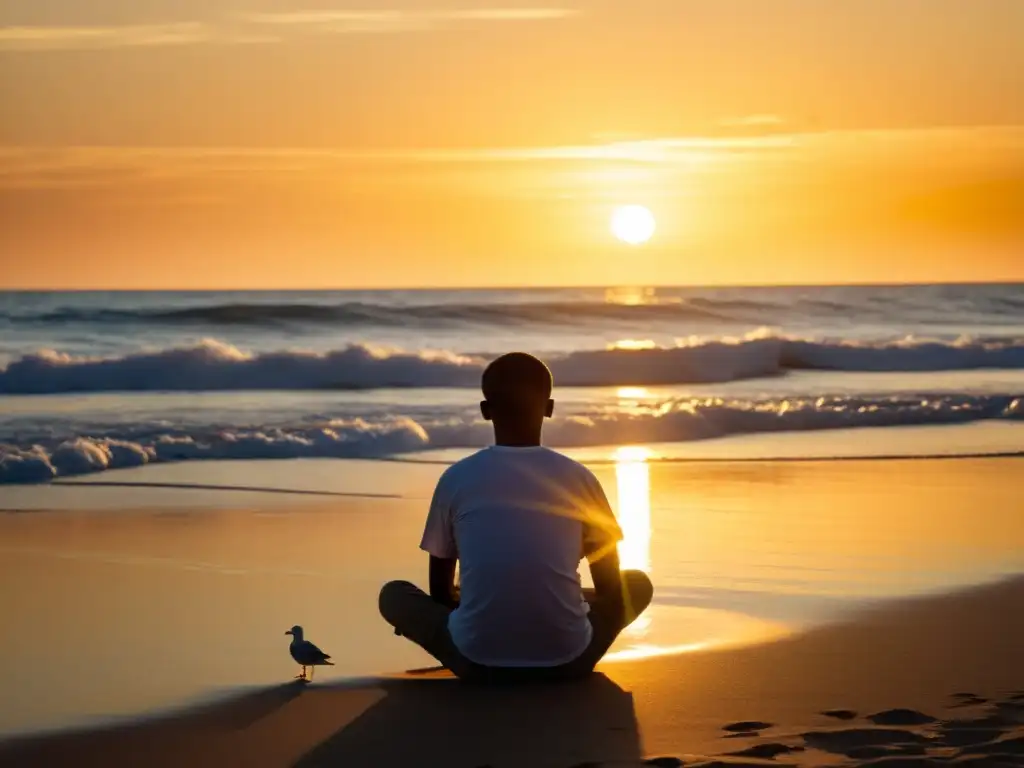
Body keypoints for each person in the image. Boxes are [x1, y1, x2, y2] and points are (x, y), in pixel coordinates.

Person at [379, 352, 653, 682]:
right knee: (636, 584)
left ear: (485, 411)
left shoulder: (456, 478)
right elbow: (609, 587)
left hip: (477, 664)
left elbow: (439, 592)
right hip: (568, 662)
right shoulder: (579, 478)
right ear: (549, 408)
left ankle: (489, 631)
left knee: (394, 594)